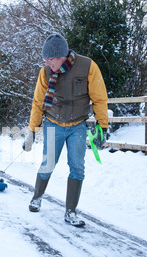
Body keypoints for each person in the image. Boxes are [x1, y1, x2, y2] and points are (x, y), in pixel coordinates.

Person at [23, 33, 109, 227]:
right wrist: (32, 130)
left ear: (61, 55)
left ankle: (70, 211)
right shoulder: (45, 73)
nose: (46, 62)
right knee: (48, 164)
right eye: (45, 58)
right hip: (54, 123)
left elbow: (99, 98)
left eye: (50, 58)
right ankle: (36, 197)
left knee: (77, 167)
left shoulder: (88, 67)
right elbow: (38, 103)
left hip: (77, 125)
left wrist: (102, 126)